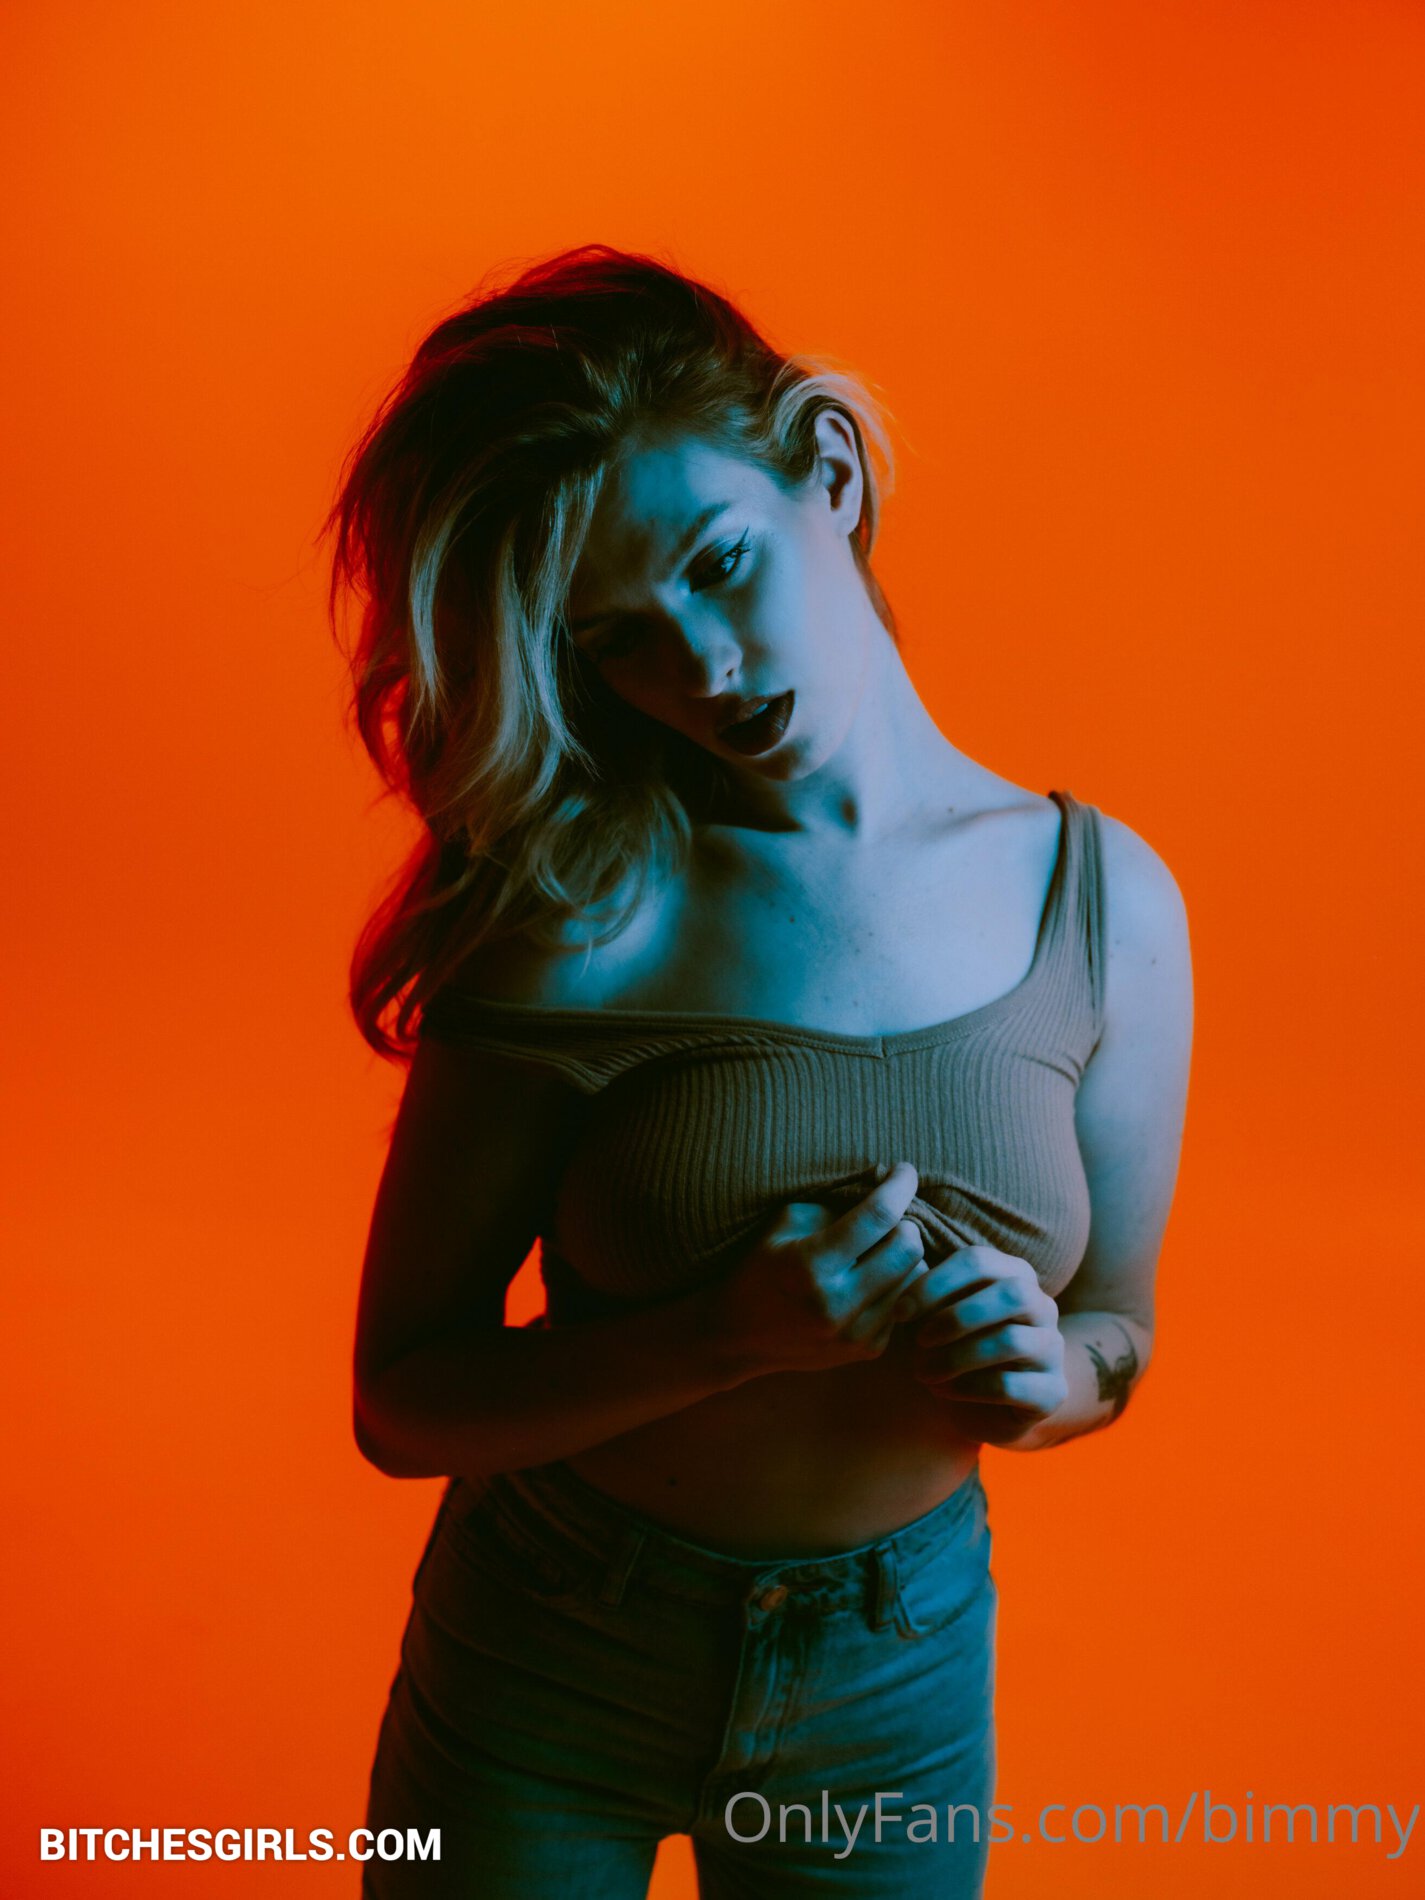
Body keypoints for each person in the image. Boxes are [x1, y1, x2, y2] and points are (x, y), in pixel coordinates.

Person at [326, 243, 1194, 1898]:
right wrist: (719, 1334)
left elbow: (1118, 1334)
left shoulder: (1100, 907)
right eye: (618, 641)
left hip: (892, 1675)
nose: (705, 672)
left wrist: (1047, 1380)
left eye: (718, 565)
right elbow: (402, 1401)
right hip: (553, 1652)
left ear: (830, 470)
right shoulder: (576, 913)